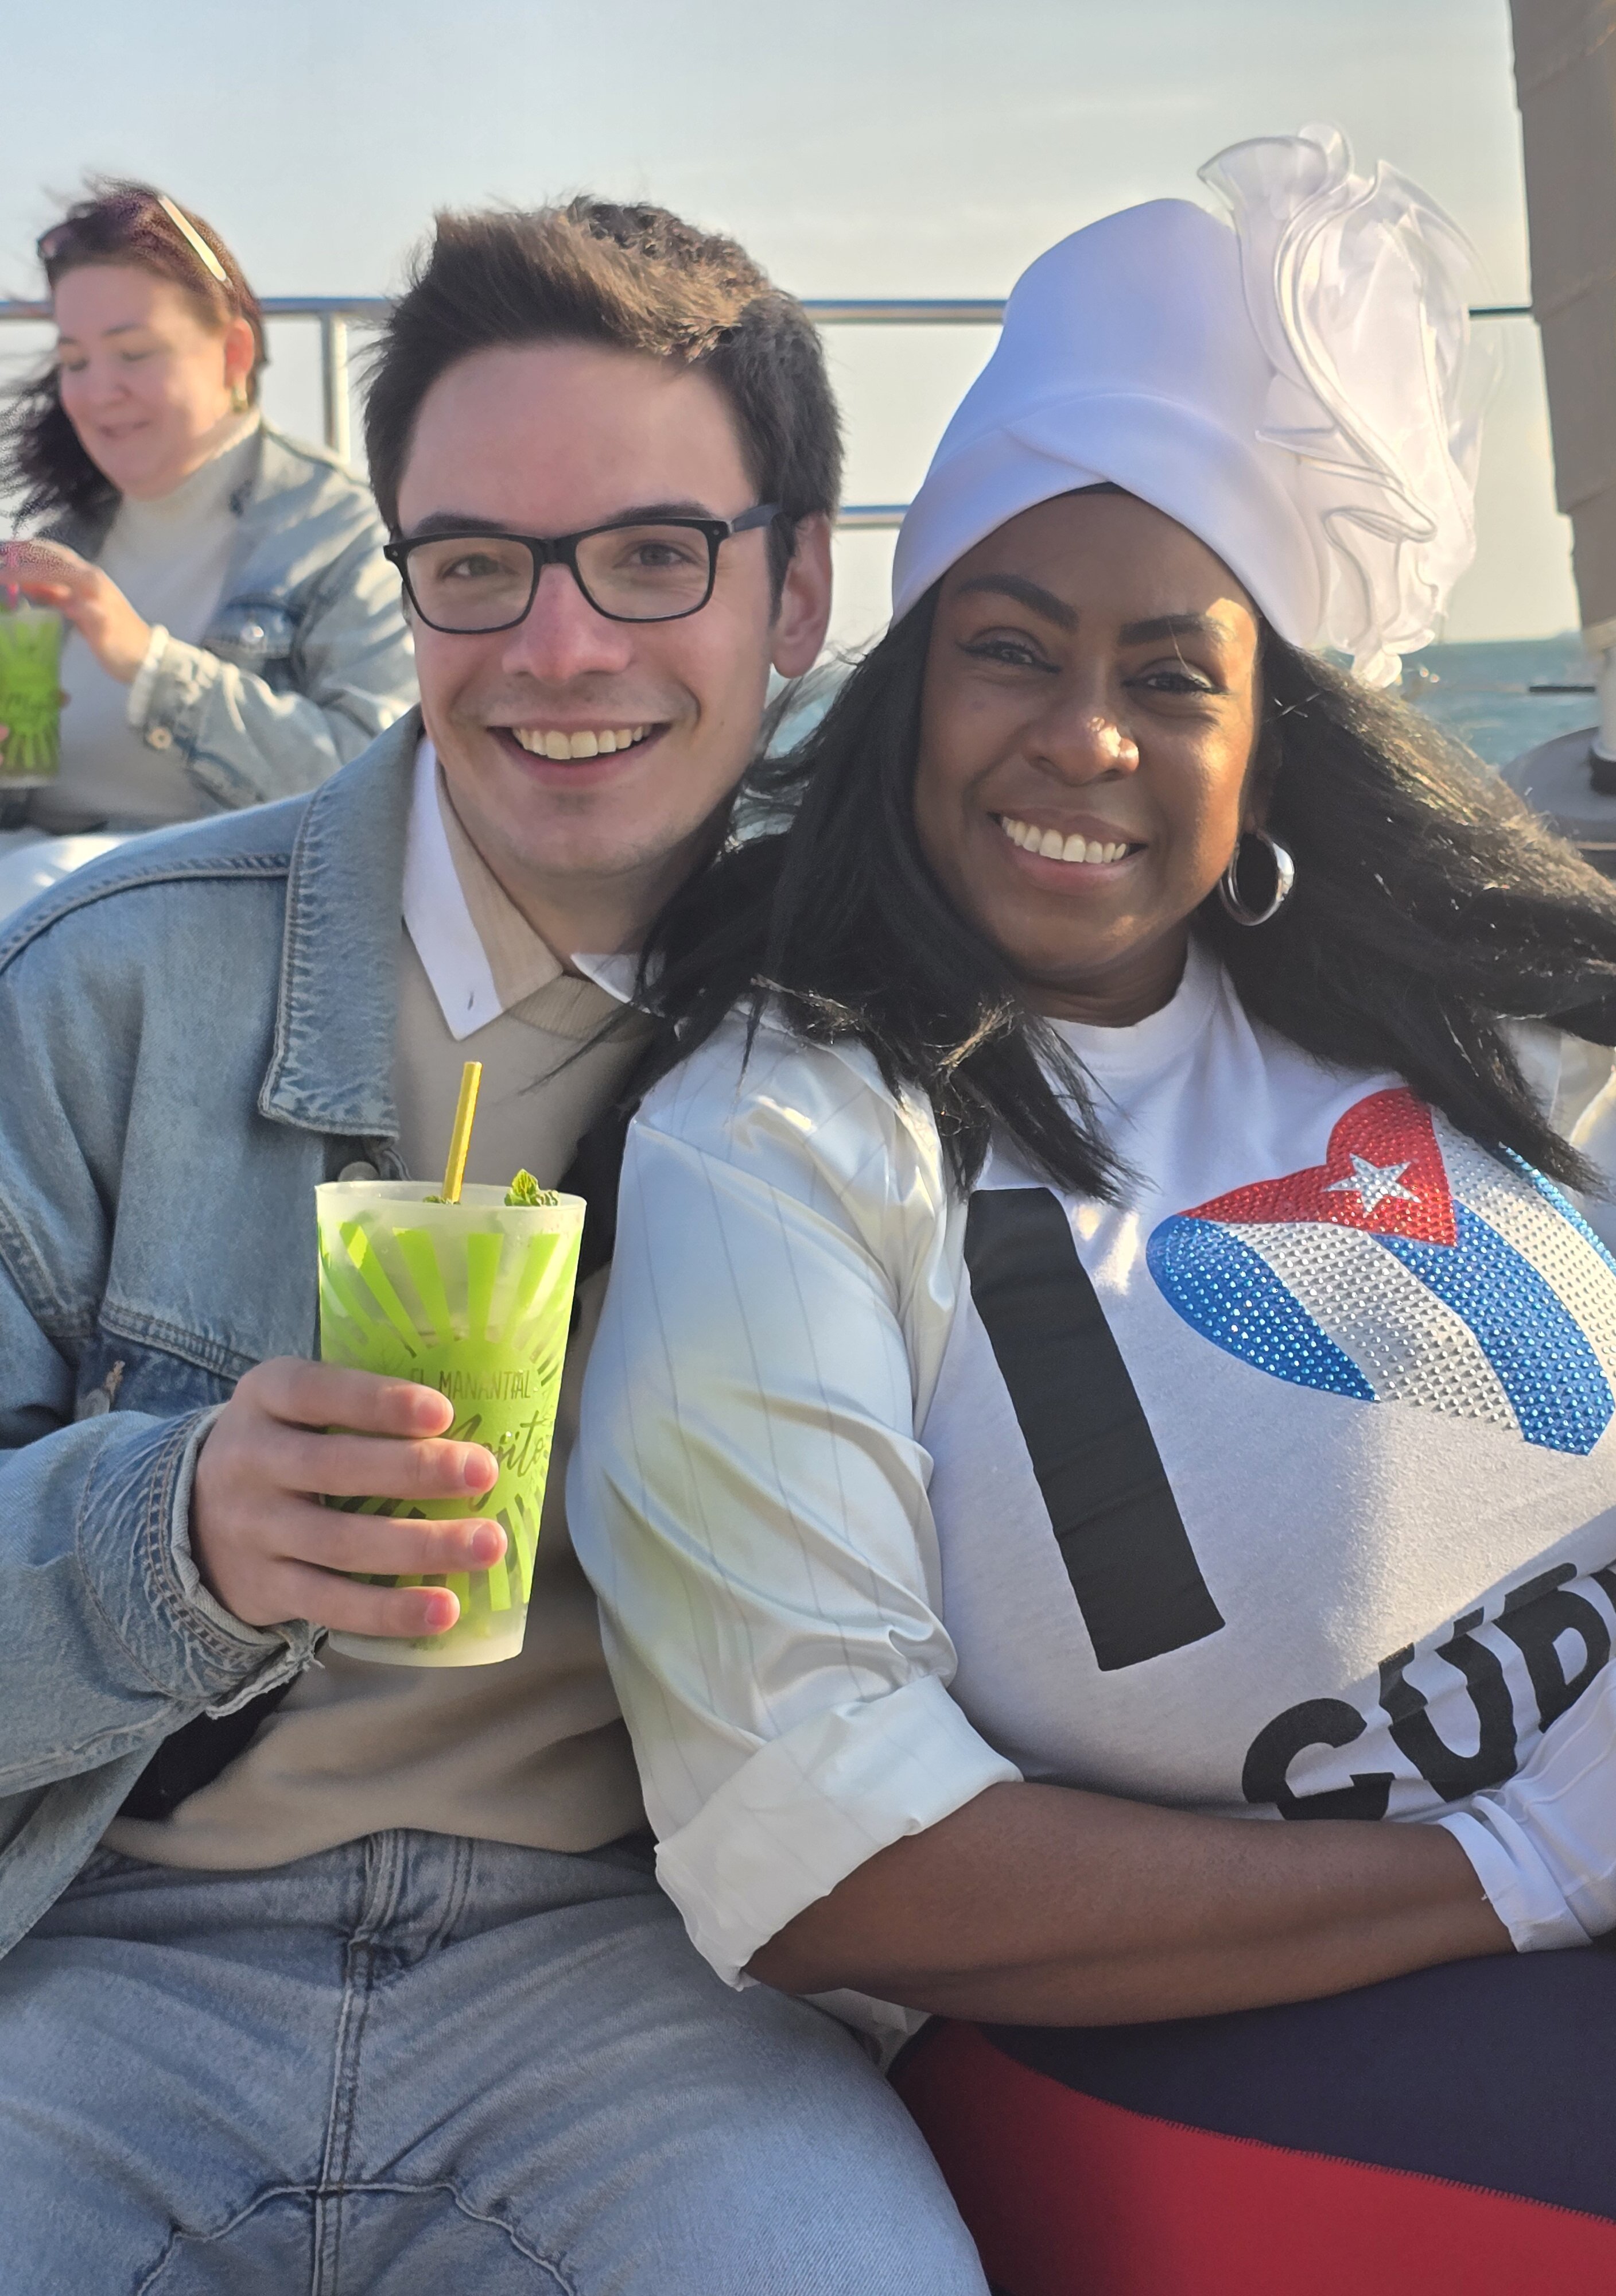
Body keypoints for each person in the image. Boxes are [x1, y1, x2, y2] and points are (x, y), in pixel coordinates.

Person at [572, 130, 1616, 2288]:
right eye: (1008, 649)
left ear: (1262, 744)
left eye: (1170, 674)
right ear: (912, 684)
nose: (1080, 735)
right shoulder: (787, 1132)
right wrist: (1514, 1855)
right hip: (1215, 2003)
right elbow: (826, 1846)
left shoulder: (1449, 1009)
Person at [0, 196, 988, 2293]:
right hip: (107, 1953)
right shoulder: (102, 988)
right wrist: (169, 1536)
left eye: (653, 554)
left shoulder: (909, 1019)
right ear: (409, 586)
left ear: (797, 581)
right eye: (474, 568)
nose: (558, 649)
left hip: (642, 1973)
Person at [0, 181, 416, 831]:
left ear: (234, 354)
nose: (97, 391)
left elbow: (378, 785)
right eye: (75, 361)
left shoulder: (341, 533)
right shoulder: (56, 550)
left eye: (134, 353)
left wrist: (150, 666)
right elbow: (17, 789)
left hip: (201, 914)